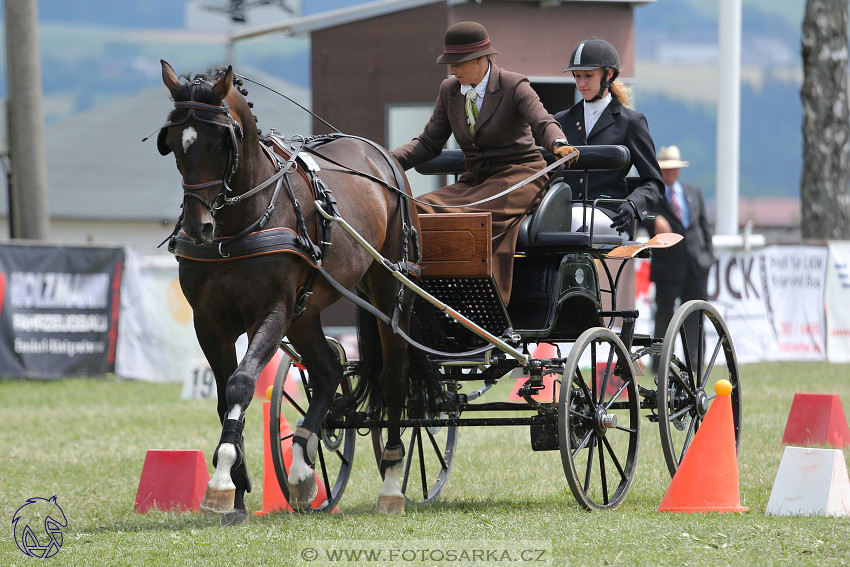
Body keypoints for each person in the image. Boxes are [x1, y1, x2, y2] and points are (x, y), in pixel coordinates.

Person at [391, 21, 578, 305]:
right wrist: (385, 161)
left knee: (470, 216)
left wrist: (558, 144)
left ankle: (480, 300)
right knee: (414, 209)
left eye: (458, 64)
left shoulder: (514, 84)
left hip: (520, 178)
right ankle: (429, 294)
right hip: (474, 181)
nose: (452, 71)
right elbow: (429, 143)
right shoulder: (449, 91)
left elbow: (543, 121)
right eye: (449, 64)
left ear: (481, 59)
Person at [553, 37, 663, 238]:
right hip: (567, 209)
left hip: (613, 214)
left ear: (608, 74)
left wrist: (633, 205)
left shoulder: (631, 122)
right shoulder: (562, 120)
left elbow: (653, 182)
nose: (581, 83)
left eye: (588, 75)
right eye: (577, 76)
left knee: (573, 221)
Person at [644, 145, 715, 362]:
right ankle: (660, 363)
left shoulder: (694, 192)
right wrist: (653, 219)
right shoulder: (652, 195)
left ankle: (695, 364)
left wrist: (707, 257)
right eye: (666, 169)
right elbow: (638, 215)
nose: (670, 173)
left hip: (696, 266)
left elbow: (704, 226)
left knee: (696, 317)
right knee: (664, 316)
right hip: (668, 267)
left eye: (673, 168)